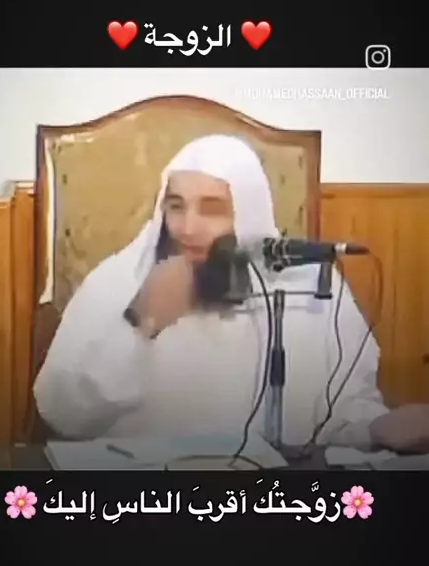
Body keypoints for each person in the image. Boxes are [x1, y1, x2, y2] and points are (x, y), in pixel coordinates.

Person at [33, 134, 429, 460]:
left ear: (248, 216)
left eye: (212, 209)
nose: (187, 228)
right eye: (176, 207)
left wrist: (378, 428)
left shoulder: (310, 287)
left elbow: (343, 414)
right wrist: (138, 324)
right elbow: (63, 414)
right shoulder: (119, 282)